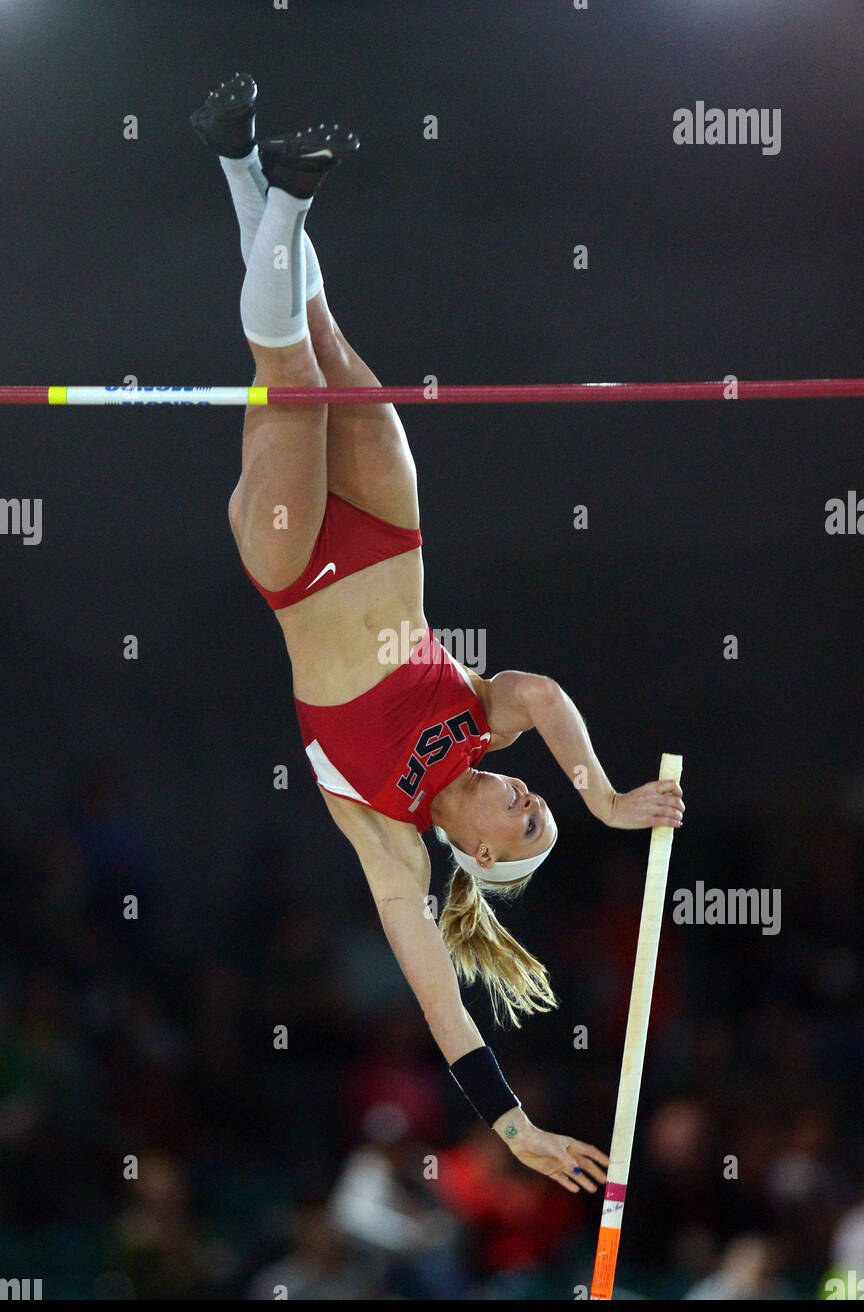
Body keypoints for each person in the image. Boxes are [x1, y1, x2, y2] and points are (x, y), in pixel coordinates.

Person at [191, 74, 684, 1195]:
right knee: (319, 330)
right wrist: (603, 793)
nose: (530, 800)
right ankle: (239, 161)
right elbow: (545, 689)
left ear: (482, 855)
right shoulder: (485, 721)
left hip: (296, 564)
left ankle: (279, 191)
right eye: (541, 803)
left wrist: (511, 1129)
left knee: (289, 374)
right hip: (390, 531)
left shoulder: (393, 836)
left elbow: (435, 996)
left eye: (529, 823)